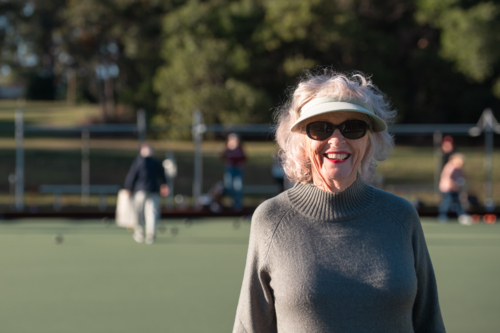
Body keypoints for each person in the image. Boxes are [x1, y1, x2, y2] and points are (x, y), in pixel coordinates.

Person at [233, 71, 445, 332]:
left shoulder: (401, 216)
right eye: (320, 128)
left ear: (369, 140)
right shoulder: (271, 219)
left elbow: (429, 323)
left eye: (353, 127)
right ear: (300, 141)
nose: (337, 140)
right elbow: (250, 327)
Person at [124, 143, 169, 244]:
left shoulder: (139, 162)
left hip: (141, 191)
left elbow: (131, 176)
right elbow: (162, 176)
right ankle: (150, 234)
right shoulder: (155, 162)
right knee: (151, 213)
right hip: (153, 191)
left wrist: (128, 188)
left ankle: (140, 232)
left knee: (139, 213)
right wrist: (164, 185)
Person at [438, 153, 469, 224]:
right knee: (447, 201)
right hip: (446, 188)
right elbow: (446, 177)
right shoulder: (450, 167)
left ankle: (462, 215)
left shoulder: (459, 168)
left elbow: (462, 176)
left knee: (458, 201)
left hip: (455, 189)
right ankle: (442, 215)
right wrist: (452, 185)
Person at [220, 133, 246, 210]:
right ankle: (232, 202)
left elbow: (244, 158)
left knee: (238, 187)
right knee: (229, 186)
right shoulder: (227, 149)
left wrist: (241, 164)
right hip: (230, 169)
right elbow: (222, 157)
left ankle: (238, 204)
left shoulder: (240, 149)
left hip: (238, 169)